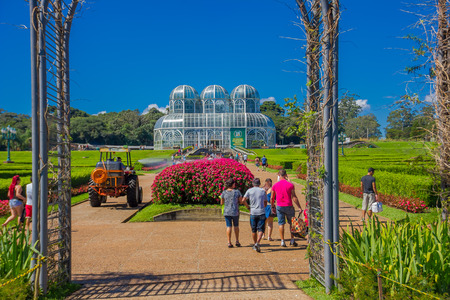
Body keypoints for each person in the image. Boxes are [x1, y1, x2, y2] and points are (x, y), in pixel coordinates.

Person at [271, 169, 303, 247]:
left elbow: (272, 198)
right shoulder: (290, 185)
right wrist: (299, 207)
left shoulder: (275, 185)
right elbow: (294, 197)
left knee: (281, 223)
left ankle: (282, 241)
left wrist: (272, 206)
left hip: (279, 206)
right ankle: (292, 240)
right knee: (292, 223)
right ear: (286, 175)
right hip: (289, 205)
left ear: (279, 175)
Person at [242, 178, 267, 253]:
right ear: (259, 184)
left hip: (253, 212)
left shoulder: (249, 190)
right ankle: (257, 243)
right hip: (261, 211)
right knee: (261, 229)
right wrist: (263, 206)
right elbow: (265, 202)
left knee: (253, 229)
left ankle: (255, 243)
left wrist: (248, 207)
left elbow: (243, 200)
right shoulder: (263, 191)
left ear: (253, 184)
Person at [220, 178, 243, 248]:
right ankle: (237, 241)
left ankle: (229, 242)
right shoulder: (237, 192)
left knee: (228, 226)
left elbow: (221, 203)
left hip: (227, 211)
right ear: (232, 184)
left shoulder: (224, 192)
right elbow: (241, 201)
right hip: (235, 211)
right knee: (236, 226)